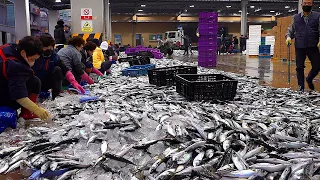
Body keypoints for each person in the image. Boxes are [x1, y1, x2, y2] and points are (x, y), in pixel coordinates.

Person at [0, 36, 50, 120]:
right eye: (33, 59)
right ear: (23, 53)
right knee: (35, 82)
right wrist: (36, 109)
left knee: (33, 79)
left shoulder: (10, 48)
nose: (33, 62)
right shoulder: (15, 66)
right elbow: (19, 95)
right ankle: (26, 113)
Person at [33, 34, 85, 100]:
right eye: (45, 47)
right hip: (35, 82)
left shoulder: (53, 56)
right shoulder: (34, 56)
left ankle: (56, 95)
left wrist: (73, 81)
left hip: (48, 81)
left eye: (50, 47)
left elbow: (64, 68)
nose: (48, 50)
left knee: (58, 69)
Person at [286, 0, 320, 92]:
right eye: (305, 4)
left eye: (309, 4)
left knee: (317, 66)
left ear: (312, 5)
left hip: (312, 45)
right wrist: (288, 37)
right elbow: (291, 29)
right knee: (299, 67)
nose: (306, 5)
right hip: (300, 46)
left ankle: (309, 78)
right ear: (301, 5)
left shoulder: (317, 16)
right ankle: (301, 86)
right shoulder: (296, 17)